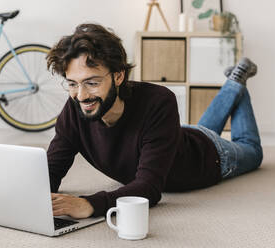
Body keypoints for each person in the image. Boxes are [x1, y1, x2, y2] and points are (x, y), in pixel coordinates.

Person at [46, 23, 263, 219]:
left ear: (119, 76)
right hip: (172, 136)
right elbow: (51, 170)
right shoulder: (75, 109)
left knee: (252, 150)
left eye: (92, 83)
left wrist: (89, 204)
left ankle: (237, 85)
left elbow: (148, 188)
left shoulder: (158, 101)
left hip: (210, 154)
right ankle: (233, 84)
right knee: (202, 128)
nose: (81, 96)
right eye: (72, 84)